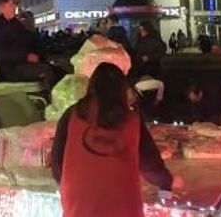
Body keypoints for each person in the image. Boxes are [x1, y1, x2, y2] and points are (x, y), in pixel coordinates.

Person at [52, 63, 174, 216]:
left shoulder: (72, 115)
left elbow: (57, 165)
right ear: (122, 90)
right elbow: (150, 165)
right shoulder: (132, 120)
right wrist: (166, 184)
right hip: (123, 209)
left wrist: (74, 184)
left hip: (78, 207)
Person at [0, 0, 60, 90]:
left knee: (57, 70)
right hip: (9, 69)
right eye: (11, 4)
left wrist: (32, 32)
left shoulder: (14, 23)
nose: (14, 7)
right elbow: (0, 53)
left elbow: (27, 40)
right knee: (46, 70)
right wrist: (25, 56)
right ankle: (56, 100)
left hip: (19, 64)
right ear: (1, 8)